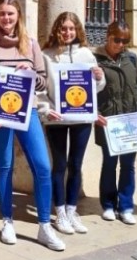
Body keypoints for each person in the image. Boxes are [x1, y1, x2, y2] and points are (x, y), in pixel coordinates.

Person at [0, 0, 66, 251]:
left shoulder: (31, 44)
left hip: (28, 113)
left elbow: (43, 81)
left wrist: (30, 75)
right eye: (2, 13)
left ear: (18, 16)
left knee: (43, 166)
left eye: (10, 14)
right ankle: (7, 221)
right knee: (4, 167)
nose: (6, 18)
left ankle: (45, 226)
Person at [39, 12, 105, 235]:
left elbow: (95, 89)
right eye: (63, 28)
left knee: (75, 165)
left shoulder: (87, 54)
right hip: (57, 119)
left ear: (77, 31)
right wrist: (47, 109)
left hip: (81, 118)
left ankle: (71, 210)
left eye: (71, 29)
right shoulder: (46, 55)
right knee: (59, 166)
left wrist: (99, 78)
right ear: (57, 30)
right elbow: (40, 89)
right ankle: (59, 213)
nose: (67, 33)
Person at [94, 20, 137, 225]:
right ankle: (108, 205)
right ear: (108, 36)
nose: (121, 44)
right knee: (110, 164)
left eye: (125, 41)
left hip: (132, 120)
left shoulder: (130, 58)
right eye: (117, 40)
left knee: (128, 166)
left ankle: (126, 206)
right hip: (109, 121)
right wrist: (94, 113)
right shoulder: (95, 59)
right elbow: (88, 91)